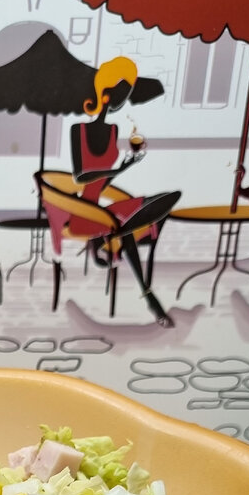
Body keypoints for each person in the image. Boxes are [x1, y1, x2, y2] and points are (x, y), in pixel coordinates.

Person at [67, 56, 180, 326]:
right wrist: (116, 170)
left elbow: (102, 183)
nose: (123, 100)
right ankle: (148, 294)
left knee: (164, 200)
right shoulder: (78, 130)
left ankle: (111, 240)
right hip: (84, 212)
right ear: (106, 95)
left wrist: (126, 166)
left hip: (103, 208)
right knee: (125, 225)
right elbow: (81, 177)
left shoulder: (113, 130)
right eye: (121, 94)